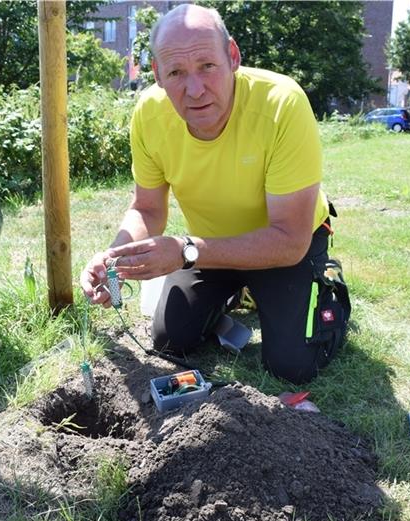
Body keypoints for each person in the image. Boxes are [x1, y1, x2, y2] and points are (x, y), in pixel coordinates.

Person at [80, 4, 346, 384]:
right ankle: (240, 292)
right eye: (176, 72)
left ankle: (326, 285)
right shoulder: (149, 115)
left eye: (207, 66)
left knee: (292, 365)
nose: (194, 89)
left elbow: (289, 241)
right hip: (207, 244)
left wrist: (186, 250)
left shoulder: (283, 103)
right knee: (169, 340)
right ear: (157, 75)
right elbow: (147, 208)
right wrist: (114, 257)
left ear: (233, 56)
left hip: (288, 244)